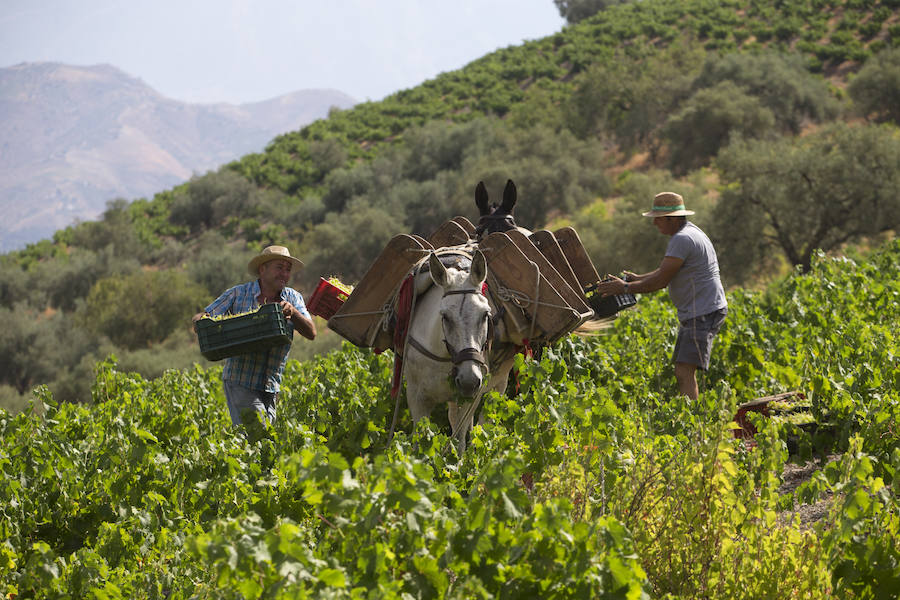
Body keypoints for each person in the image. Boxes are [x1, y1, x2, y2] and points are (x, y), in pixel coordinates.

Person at [597, 192, 727, 400]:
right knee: (684, 370)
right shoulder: (691, 233)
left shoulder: (682, 239)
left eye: (657, 218)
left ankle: (694, 424)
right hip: (704, 309)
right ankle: (694, 419)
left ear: (672, 218)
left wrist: (624, 288)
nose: (655, 223)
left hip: (701, 311)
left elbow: (660, 281)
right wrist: (636, 278)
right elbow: (663, 271)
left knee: (684, 371)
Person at [193, 245, 316, 426]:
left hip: (271, 385)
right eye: (279, 268)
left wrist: (294, 313)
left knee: (263, 444)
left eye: (288, 269)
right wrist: (201, 321)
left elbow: (311, 332)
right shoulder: (238, 294)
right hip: (241, 380)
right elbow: (203, 317)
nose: (284, 274)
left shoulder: (293, 298)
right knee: (259, 435)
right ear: (262, 269)